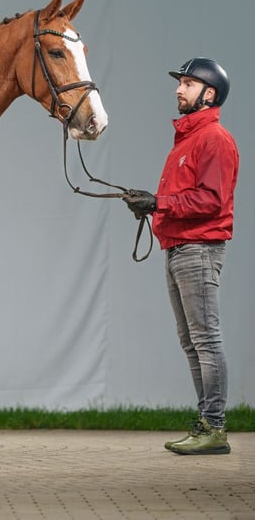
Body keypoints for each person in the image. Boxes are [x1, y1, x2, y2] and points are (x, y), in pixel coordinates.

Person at [123, 57, 239, 455]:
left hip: (199, 248)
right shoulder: (188, 141)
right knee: (192, 342)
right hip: (178, 247)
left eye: (188, 84)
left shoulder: (215, 140)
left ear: (209, 94)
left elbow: (212, 199)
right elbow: (183, 199)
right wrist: (154, 205)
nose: (178, 89)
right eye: (181, 83)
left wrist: (160, 202)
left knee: (205, 339)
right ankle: (207, 424)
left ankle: (214, 428)